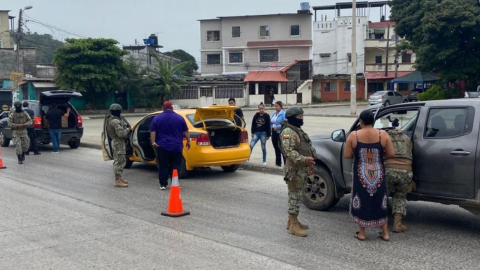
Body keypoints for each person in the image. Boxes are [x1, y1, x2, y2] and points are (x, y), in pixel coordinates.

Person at [344, 110, 395, 241]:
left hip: (361, 174)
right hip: (378, 173)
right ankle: (385, 233)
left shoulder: (353, 135)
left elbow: (347, 155)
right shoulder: (382, 134)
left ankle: (361, 233)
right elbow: (391, 154)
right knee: (380, 199)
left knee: (363, 199)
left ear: (361, 121)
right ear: (373, 121)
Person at [279, 106, 316, 237]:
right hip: (294, 169)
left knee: (298, 195)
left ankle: (292, 221)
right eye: (299, 117)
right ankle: (293, 225)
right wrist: (304, 159)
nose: (301, 119)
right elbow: (289, 152)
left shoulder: (296, 130)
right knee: (295, 196)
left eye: (302, 116)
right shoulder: (288, 132)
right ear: (292, 117)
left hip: (300, 168)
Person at [150, 101, 191, 190]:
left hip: (162, 146)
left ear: (163, 108)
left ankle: (163, 184)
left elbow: (153, 132)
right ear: (172, 108)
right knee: (176, 165)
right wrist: (188, 141)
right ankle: (175, 183)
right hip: (176, 146)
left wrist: (153, 142)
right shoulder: (179, 118)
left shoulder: (157, 118)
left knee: (163, 165)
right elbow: (186, 131)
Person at [385, 118, 413, 233]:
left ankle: (381, 221)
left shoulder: (385, 138)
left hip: (388, 171)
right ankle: (397, 224)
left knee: (382, 194)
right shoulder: (407, 138)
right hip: (406, 172)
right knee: (400, 195)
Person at [105, 103, 130, 188]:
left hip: (118, 142)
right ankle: (117, 180)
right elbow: (121, 134)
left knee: (121, 160)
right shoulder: (115, 121)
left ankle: (119, 178)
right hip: (118, 143)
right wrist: (128, 129)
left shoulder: (114, 119)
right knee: (119, 161)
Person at [270, 101, 286, 167]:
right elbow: (270, 122)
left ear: (280, 106)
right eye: (275, 106)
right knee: (276, 148)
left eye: (277, 106)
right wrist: (271, 127)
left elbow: (285, 123)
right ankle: (278, 163)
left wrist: (278, 127)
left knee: (282, 148)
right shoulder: (274, 114)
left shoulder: (283, 114)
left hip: (280, 132)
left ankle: (286, 163)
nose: (276, 107)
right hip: (273, 132)